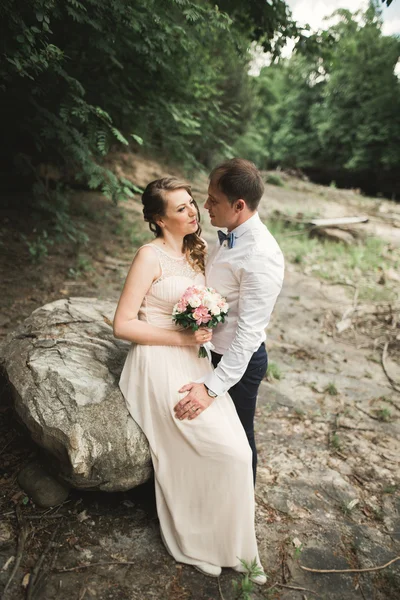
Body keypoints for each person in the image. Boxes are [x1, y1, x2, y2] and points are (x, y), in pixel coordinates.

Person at [113, 177, 266, 583]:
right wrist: (180, 337)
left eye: (192, 204)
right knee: (205, 445)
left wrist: (202, 330)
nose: (193, 211)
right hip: (155, 362)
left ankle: (236, 548)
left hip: (195, 363)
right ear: (159, 219)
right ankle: (198, 541)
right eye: (180, 208)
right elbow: (122, 324)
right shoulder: (149, 256)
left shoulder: (198, 253)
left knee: (236, 450)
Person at [174, 159, 284, 484]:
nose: (204, 206)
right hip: (210, 350)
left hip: (238, 363)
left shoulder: (261, 257)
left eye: (213, 200)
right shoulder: (231, 235)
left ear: (239, 205)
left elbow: (248, 335)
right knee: (213, 436)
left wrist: (212, 387)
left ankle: (240, 504)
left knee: (238, 441)